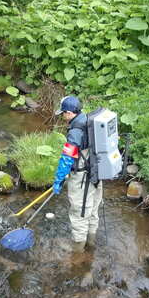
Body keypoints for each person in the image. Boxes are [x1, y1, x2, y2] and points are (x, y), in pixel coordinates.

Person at [52, 95, 103, 252]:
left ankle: (78, 251)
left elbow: (67, 159)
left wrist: (58, 180)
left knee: (79, 214)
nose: (62, 117)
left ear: (68, 112)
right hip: (96, 174)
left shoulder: (75, 131)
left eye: (63, 114)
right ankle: (91, 243)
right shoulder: (89, 120)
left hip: (82, 179)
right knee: (93, 211)